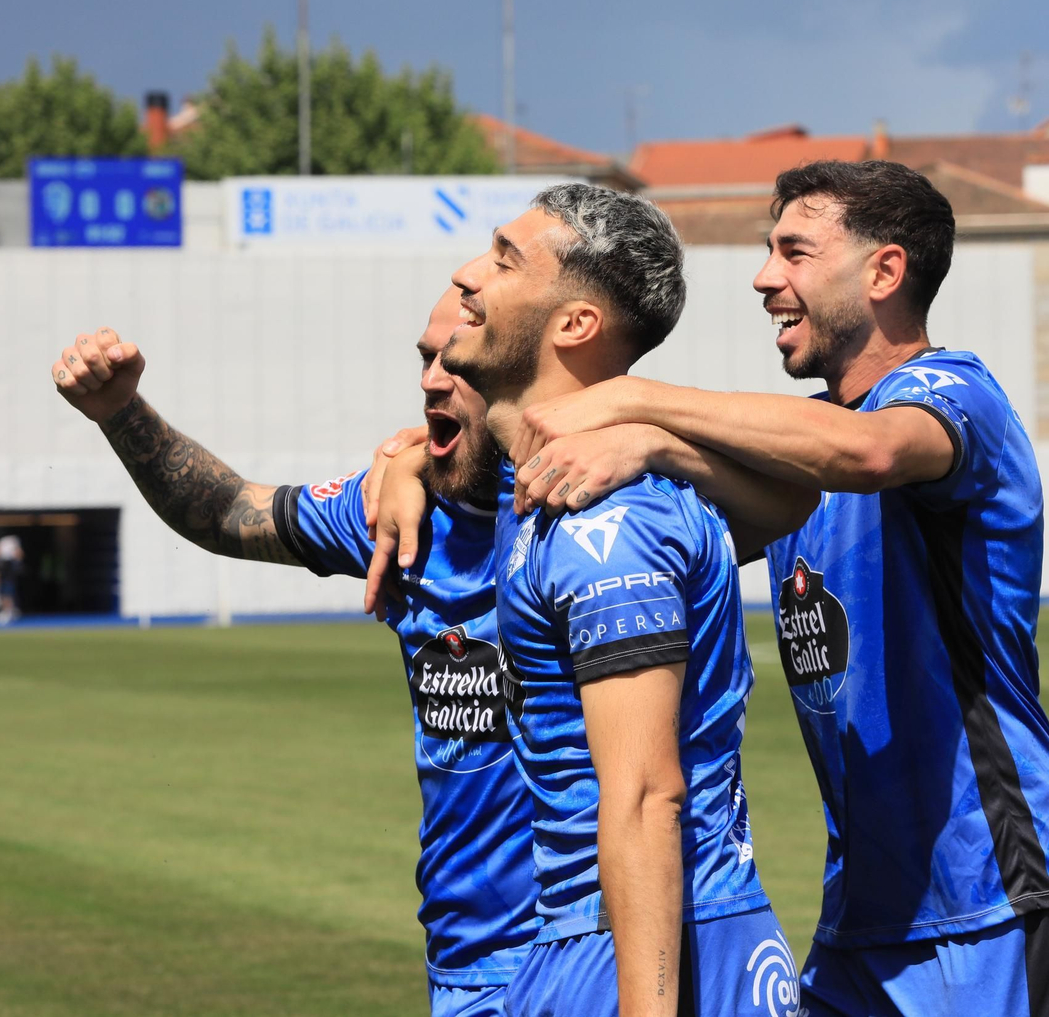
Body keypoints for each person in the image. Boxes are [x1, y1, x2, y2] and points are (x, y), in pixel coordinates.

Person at [52, 292, 806, 1017]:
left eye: (458, 362)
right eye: (425, 359)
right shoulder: (397, 512)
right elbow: (224, 511)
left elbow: (812, 478)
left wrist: (655, 434)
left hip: (614, 945)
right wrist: (122, 413)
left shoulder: (614, 499)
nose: (431, 380)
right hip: (470, 966)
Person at [506, 161, 1049, 1015]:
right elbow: (682, 553)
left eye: (793, 252)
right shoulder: (796, 461)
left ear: (884, 272)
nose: (763, 278)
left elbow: (867, 455)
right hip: (861, 921)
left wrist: (635, 403)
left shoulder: (952, 394)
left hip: (997, 904)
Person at [410, 184, 811, 1017]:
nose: (469, 277)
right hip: (593, 936)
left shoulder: (602, 518)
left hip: (641, 947)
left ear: (574, 325)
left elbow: (642, 794)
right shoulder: (565, 485)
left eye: (503, 259)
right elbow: (782, 507)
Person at [0, 534, 25, 625]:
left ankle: (8, 612)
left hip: (8, 569)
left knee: (7, 592)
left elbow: (19, 553)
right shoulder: (2, 548)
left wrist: (18, 561)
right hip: (5, 569)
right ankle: (9, 611)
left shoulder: (11, 544)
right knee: (4, 592)